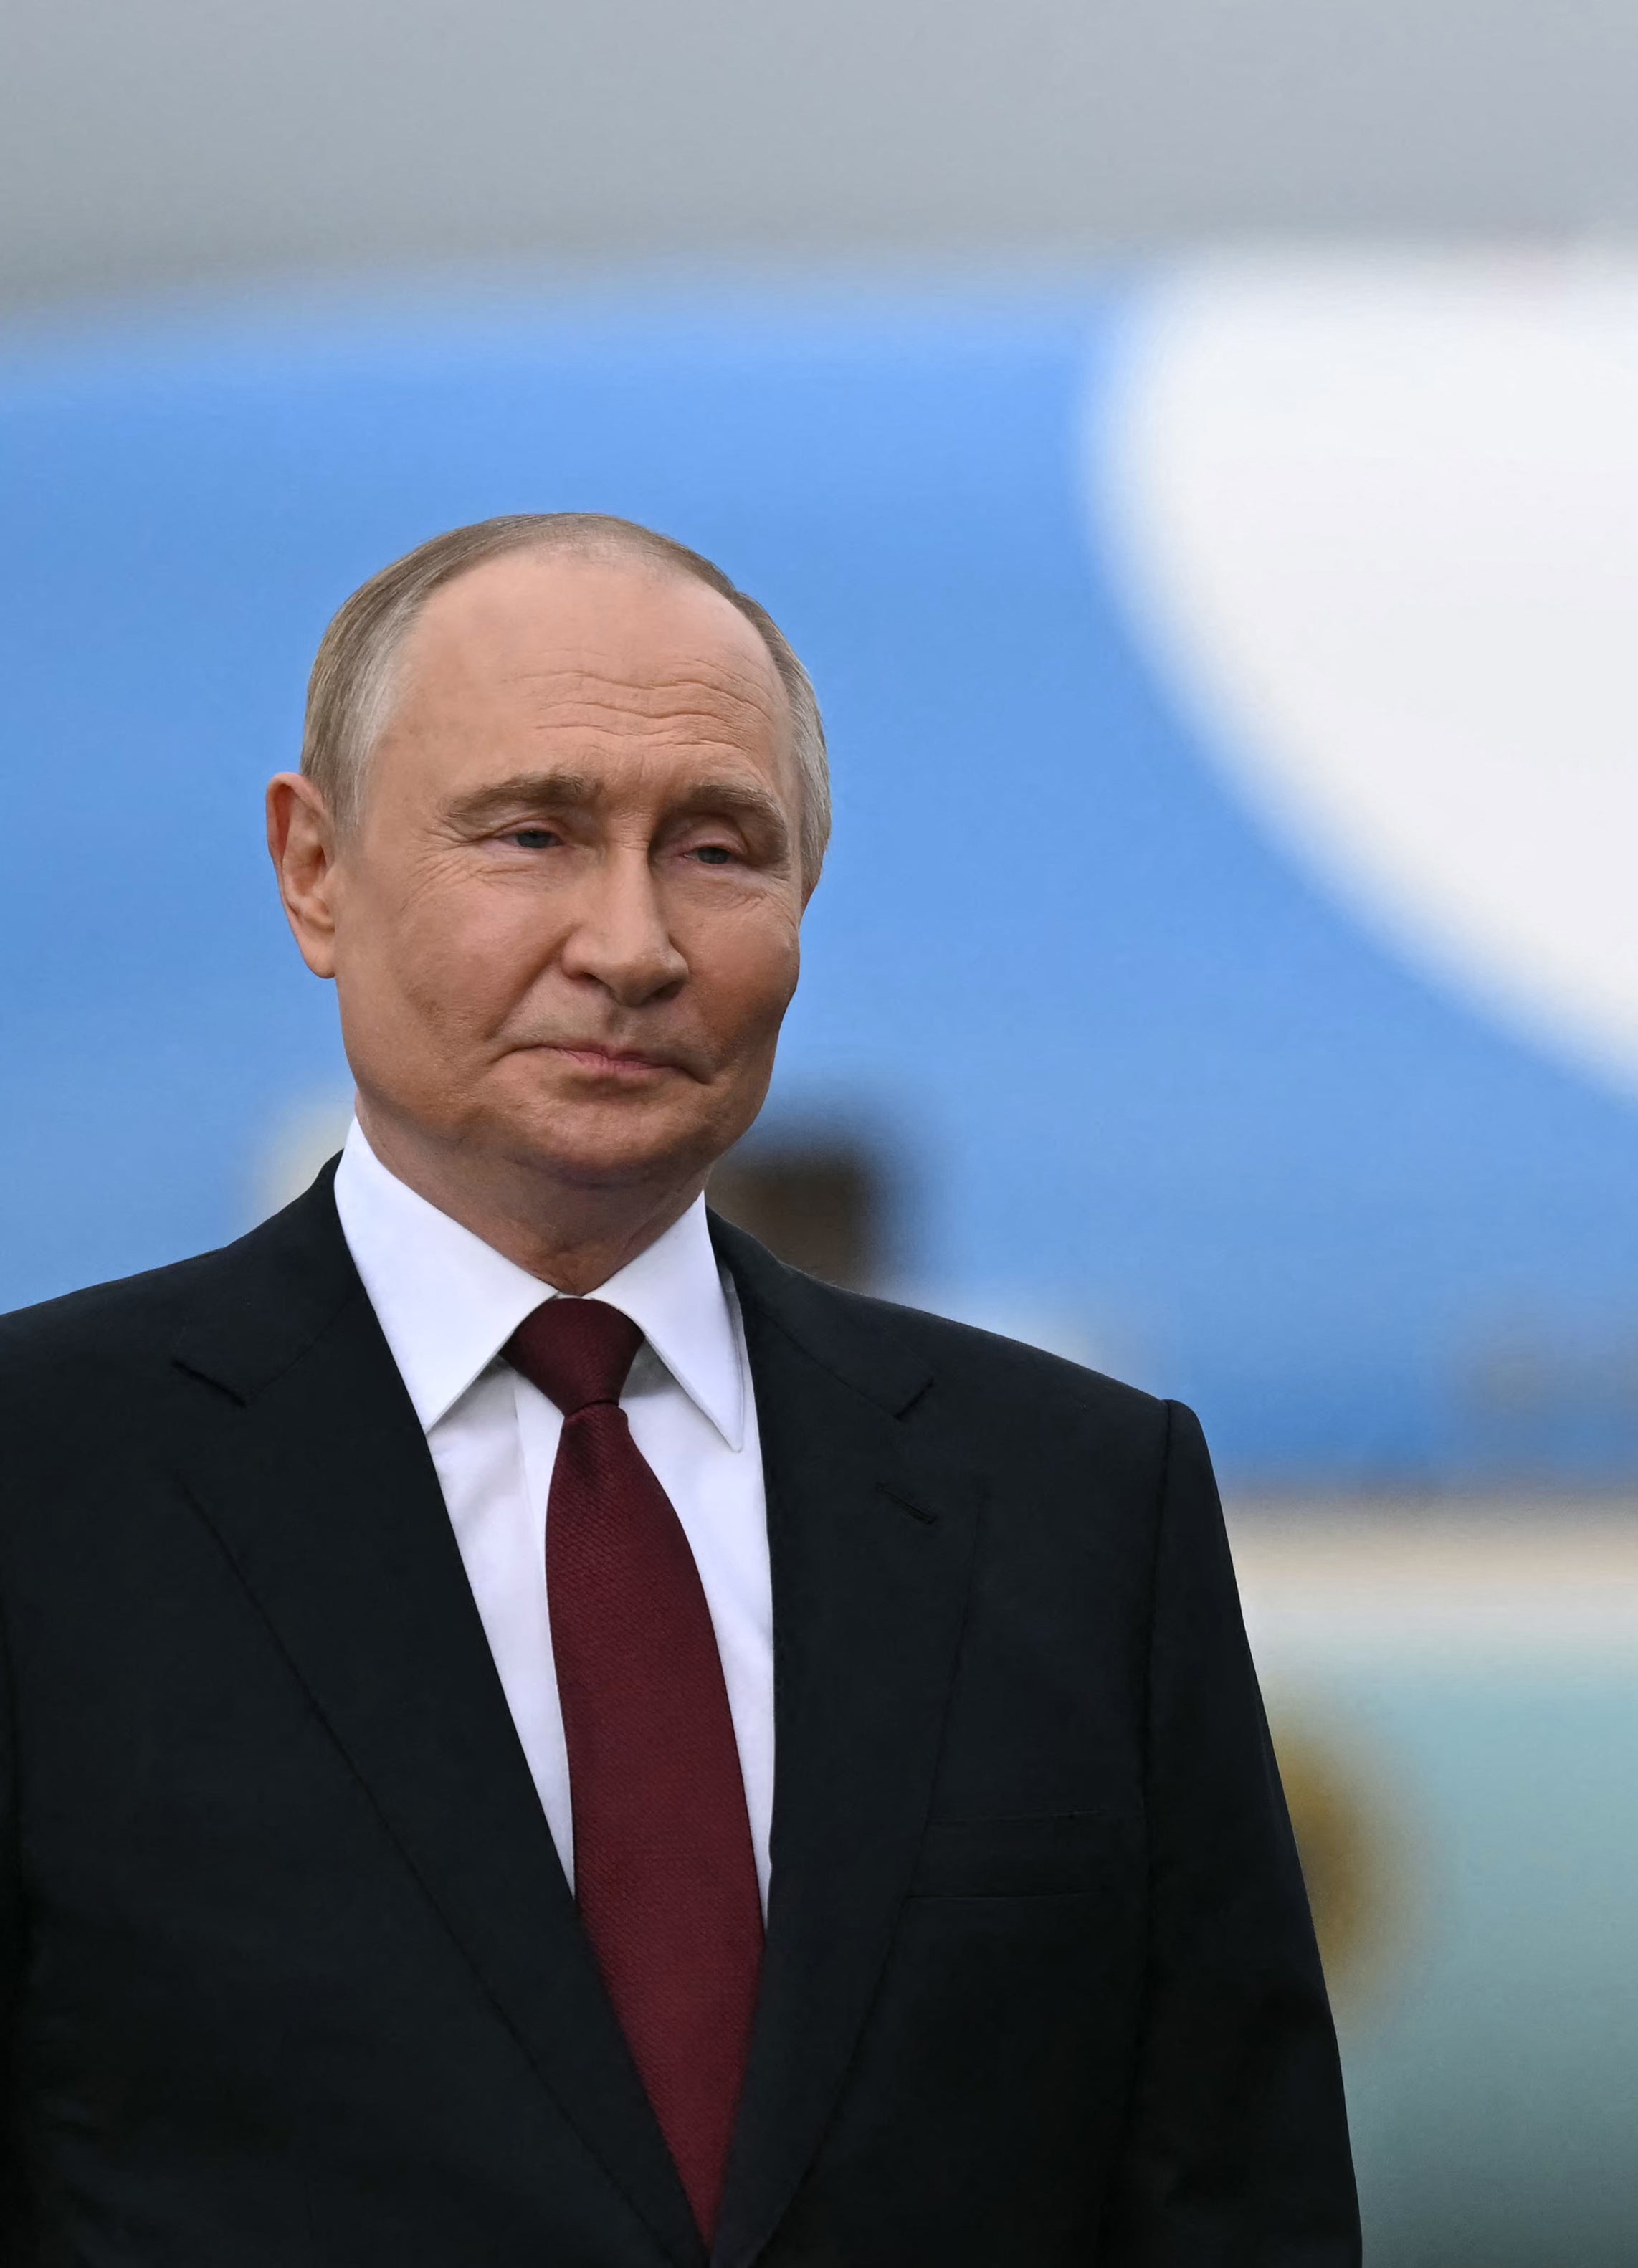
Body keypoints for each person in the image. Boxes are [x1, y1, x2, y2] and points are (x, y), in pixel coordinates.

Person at [0, 514, 1358, 2265]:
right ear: (313, 870)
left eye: (716, 849)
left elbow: (1231, 2200)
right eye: (533, 833)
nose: (630, 943)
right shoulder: (50, 1489)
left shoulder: (1083, 1507)